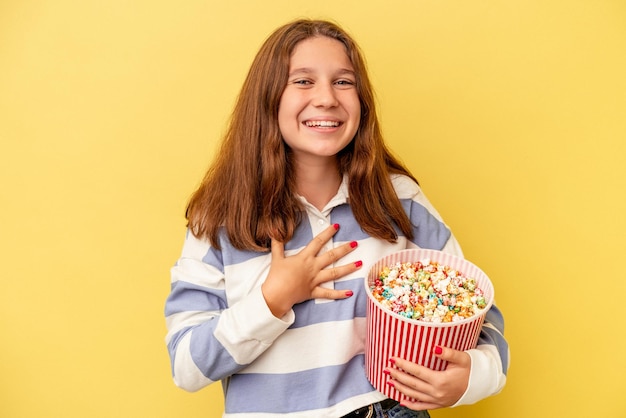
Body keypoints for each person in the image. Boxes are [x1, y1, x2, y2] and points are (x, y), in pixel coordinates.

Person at [164, 18, 509, 418]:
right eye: (303, 81)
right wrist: (273, 299)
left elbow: (478, 311)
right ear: (267, 98)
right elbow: (186, 365)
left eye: (344, 82)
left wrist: (471, 378)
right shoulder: (223, 217)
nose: (327, 98)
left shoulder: (398, 199)